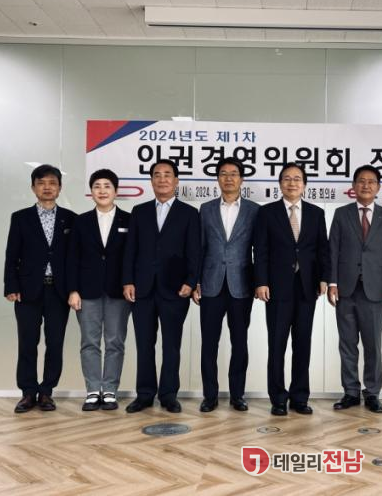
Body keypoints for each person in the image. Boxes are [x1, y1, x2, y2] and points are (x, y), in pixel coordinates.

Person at [122, 159, 200, 413]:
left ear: (176, 181)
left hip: (175, 290)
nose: (162, 179)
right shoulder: (139, 211)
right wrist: (128, 280)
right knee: (144, 344)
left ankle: (168, 394)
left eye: (168, 175)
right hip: (142, 289)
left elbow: (194, 251)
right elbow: (130, 250)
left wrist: (191, 281)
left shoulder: (189, 213)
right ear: (151, 181)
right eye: (157, 175)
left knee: (171, 345)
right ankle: (144, 394)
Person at [254, 163, 330, 416]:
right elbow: (260, 250)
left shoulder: (316, 213)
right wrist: (261, 281)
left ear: (304, 185)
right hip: (276, 288)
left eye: (297, 179)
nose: (292, 183)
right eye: (287, 179)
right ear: (280, 184)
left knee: (302, 344)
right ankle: (277, 398)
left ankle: (299, 397)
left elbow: (322, 249)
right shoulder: (267, 212)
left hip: (307, 287)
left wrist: (324, 278)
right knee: (277, 344)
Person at [4, 164, 76, 413]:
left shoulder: (71, 218)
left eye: (52, 183)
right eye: (41, 183)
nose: (47, 187)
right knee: (27, 342)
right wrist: (11, 285)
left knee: (55, 343)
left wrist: (73, 289)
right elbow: (11, 255)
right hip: (27, 291)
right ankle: (27, 392)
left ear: (59, 188)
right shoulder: (20, 217)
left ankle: (46, 392)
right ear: (33, 187)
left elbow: (74, 259)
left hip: (58, 291)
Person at [327, 165, 382, 413]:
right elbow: (333, 250)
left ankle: (372, 393)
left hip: (375, 290)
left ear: (378, 187)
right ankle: (350, 392)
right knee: (347, 344)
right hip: (345, 290)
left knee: (373, 345)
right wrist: (332, 282)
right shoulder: (341, 214)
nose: (366, 185)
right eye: (361, 181)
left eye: (371, 181)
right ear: (353, 186)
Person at [193, 158, 259, 413]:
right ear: (217, 179)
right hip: (211, 284)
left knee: (239, 342)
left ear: (241, 179)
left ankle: (237, 395)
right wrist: (196, 281)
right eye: (223, 173)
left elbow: (259, 249)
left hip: (241, 285)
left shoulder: (254, 210)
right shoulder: (206, 209)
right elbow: (199, 248)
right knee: (209, 343)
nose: (228, 178)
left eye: (233, 174)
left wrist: (259, 281)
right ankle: (210, 396)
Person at [66, 169, 130, 411]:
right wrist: (73, 290)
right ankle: (93, 390)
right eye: (97, 186)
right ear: (91, 191)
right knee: (89, 342)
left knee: (115, 341)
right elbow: (72, 258)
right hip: (86, 291)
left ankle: (110, 390)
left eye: (107, 186)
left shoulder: (129, 220)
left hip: (118, 292)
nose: (102, 191)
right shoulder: (81, 221)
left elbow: (133, 257)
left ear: (116, 191)